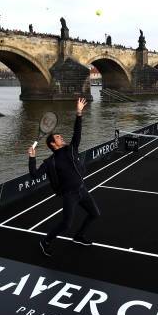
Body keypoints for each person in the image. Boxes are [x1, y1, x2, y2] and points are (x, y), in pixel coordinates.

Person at [27, 97, 100, 257]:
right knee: (66, 225)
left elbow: (77, 132)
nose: (62, 138)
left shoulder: (71, 149)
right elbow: (34, 175)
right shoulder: (50, 162)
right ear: (53, 144)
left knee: (95, 214)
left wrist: (79, 113)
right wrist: (32, 158)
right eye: (58, 138)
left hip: (82, 189)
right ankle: (45, 241)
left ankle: (79, 236)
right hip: (70, 195)